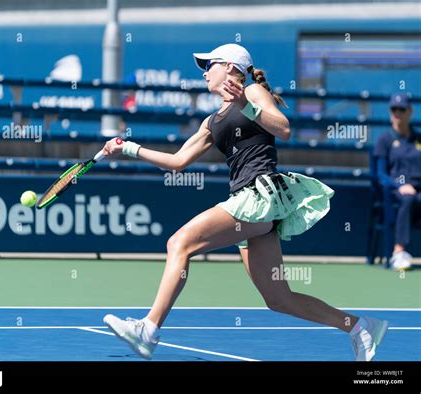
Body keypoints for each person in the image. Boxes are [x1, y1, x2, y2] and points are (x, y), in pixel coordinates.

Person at [101, 44, 388, 361]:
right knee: (279, 298)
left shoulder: (252, 93)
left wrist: (245, 104)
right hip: (250, 204)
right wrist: (129, 148)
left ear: (228, 67)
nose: (205, 72)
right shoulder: (211, 122)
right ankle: (360, 326)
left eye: (208, 65)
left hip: (260, 196)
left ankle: (149, 329)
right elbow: (177, 161)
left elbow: (285, 129)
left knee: (179, 243)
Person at [374, 93, 421, 270]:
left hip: (418, 190)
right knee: (408, 199)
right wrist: (400, 186)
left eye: (402, 109)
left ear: (410, 111)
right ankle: (399, 252)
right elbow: (380, 174)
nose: (398, 113)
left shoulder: (418, 138)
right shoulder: (384, 139)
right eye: (394, 109)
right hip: (395, 193)